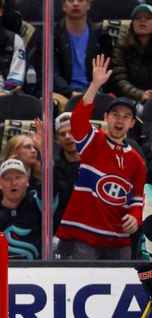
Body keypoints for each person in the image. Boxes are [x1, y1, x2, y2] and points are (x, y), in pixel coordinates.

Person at [56, 55, 147, 260]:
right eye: (115, 114)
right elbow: (78, 120)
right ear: (106, 117)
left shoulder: (137, 161)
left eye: (126, 116)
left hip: (118, 240)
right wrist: (95, 85)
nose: (120, 120)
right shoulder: (94, 141)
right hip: (83, 237)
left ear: (132, 123)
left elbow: (137, 201)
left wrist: (134, 217)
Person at [0, 159, 44, 260]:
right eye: (8, 179)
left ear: (27, 181)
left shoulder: (38, 202)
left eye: (18, 177)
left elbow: (53, 194)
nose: (13, 183)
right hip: (1, 270)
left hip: (40, 269)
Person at [52, 0, 112, 99]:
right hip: (62, 94)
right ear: (63, 6)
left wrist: (90, 91)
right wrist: (70, 93)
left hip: (95, 92)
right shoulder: (52, 36)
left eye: (80, 0)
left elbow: (106, 73)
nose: (75, 3)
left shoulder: (102, 37)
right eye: (70, 0)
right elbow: (52, 73)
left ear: (89, 5)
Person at [0, 133, 42, 205]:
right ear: (14, 151)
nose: (34, 151)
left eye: (35, 148)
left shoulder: (40, 174)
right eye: (27, 147)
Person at [111, 3, 152, 104]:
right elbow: (119, 78)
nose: (142, 20)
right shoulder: (122, 44)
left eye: (148, 18)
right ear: (132, 23)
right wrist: (140, 94)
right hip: (128, 99)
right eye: (137, 18)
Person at [52, 112, 80, 214]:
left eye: (72, 131)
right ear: (57, 139)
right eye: (62, 134)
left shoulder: (97, 162)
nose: (67, 137)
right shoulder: (52, 166)